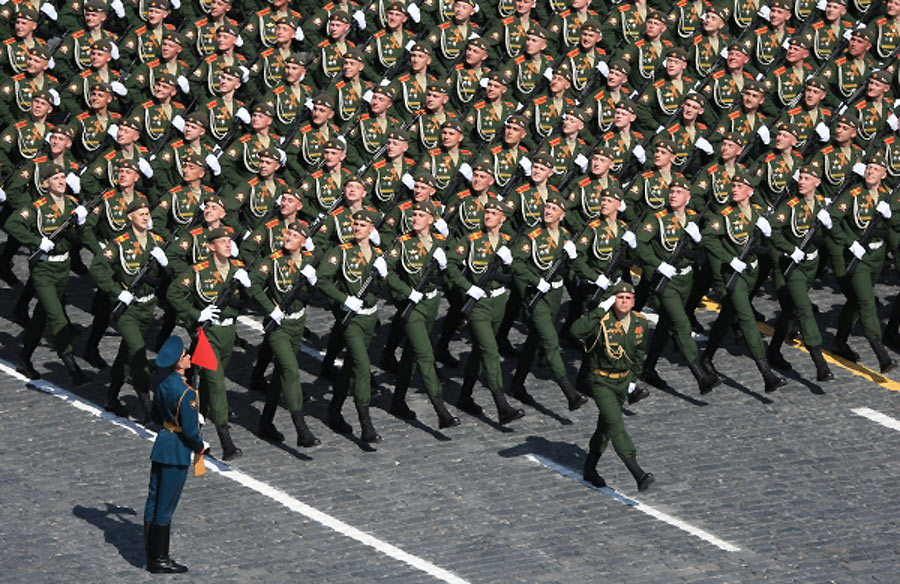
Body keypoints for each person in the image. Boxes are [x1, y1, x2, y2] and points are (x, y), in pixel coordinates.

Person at [571, 281, 654, 491]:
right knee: (616, 424)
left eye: (628, 298)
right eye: (620, 298)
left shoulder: (640, 322)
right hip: (601, 381)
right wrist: (600, 309)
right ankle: (637, 472)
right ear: (612, 300)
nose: (624, 302)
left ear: (633, 301)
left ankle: (590, 467)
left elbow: (639, 353)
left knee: (605, 426)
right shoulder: (601, 322)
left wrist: (633, 380)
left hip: (622, 381)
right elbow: (576, 331)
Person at [144, 335, 207, 574]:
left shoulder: (162, 384)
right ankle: (159, 559)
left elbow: (156, 416)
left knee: (153, 499)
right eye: (185, 355)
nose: (189, 357)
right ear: (179, 363)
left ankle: (150, 553)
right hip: (177, 450)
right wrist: (200, 445)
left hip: (162, 445)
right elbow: (190, 432)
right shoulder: (186, 393)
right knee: (166, 505)